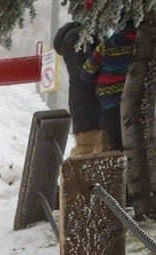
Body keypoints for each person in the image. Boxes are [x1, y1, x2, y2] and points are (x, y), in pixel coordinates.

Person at [81, 24, 138, 153]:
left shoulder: (107, 45)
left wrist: (102, 79)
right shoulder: (142, 44)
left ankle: (123, 171)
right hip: (136, 100)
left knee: (116, 144)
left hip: (110, 101)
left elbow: (86, 72)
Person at [54, 22, 106, 157]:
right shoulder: (77, 36)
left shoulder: (87, 33)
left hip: (92, 107)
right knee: (85, 151)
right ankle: (68, 178)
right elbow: (87, 68)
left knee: (95, 151)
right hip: (87, 109)